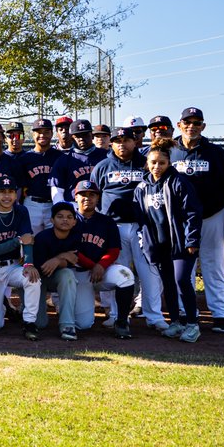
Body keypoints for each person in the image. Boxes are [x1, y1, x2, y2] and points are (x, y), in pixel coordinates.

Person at [90, 127, 165, 331]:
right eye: (117, 140)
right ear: (111, 143)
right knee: (119, 272)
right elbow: (94, 196)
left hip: (142, 226)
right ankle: (116, 315)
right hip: (114, 227)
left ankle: (154, 316)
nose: (122, 144)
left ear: (135, 142)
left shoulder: (145, 164)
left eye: (127, 140)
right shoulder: (103, 166)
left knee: (148, 272)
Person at [170, 107, 224, 333]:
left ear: (203, 127)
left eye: (197, 123)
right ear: (179, 125)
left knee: (213, 264)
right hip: (181, 219)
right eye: (187, 122)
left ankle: (220, 315)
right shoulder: (170, 151)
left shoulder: (215, 152)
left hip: (212, 215)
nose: (192, 126)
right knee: (183, 268)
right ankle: (186, 313)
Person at [134, 137, 203, 342]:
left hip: (180, 244)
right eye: (153, 162)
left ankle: (192, 324)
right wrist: (145, 242)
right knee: (168, 284)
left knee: (182, 280)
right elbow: (141, 218)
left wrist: (192, 240)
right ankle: (175, 322)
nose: (157, 167)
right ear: (147, 162)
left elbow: (193, 212)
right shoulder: (141, 188)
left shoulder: (179, 182)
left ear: (169, 163)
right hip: (159, 244)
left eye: (162, 163)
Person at [0, 176, 41, 339]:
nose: (7, 196)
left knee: (33, 278)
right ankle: (3, 302)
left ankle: (29, 323)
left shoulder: (21, 211)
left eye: (11, 192)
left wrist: (29, 263)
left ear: (16, 194)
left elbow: (28, 240)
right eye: (2, 192)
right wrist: (17, 241)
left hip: (12, 267)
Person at [72, 181, 137, 339]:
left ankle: (121, 321)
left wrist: (101, 265)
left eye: (92, 195)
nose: (87, 198)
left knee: (125, 275)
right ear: (75, 197)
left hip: (102, 271)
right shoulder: (69, 219)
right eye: (83, 194)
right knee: (84, 324)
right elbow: (70, 251)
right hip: (78, 273)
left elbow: (114, 250)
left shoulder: (107, 222)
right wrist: (93, 266)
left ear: (98, 198)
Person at [33, 203, 83, 340]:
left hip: (57, 276)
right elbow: (41, 267)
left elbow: (73, 259)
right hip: (37, 278)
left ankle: (67, 325)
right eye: (60, 217)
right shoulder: (42, 238)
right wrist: (63, 256)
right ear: (52, 220)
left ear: (74, 221)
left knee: (68, 275)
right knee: (40, 323)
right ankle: (28, 309)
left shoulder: (76, 236)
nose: (65, 220)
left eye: (69, 217)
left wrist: (57, 259)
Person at [16, 118, 61, 234]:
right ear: (33, 134)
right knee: (30, 239)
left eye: (46, 132)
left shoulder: (60, 157)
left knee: (54, 239)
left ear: (52, 134)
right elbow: (19, 186)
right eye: (39, 132)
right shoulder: (25, 158)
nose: (42, 135)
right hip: (32, 203)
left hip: (53, 204)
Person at [49, 120, 105, 204]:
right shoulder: (64, 159)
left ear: (92, 136)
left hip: (101, 205)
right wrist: (63, 209)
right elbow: (57, 190)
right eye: (78, 136)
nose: (82, 139)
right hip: (74, 206)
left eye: (85, 135)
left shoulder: (105, 156)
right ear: (72, 138)